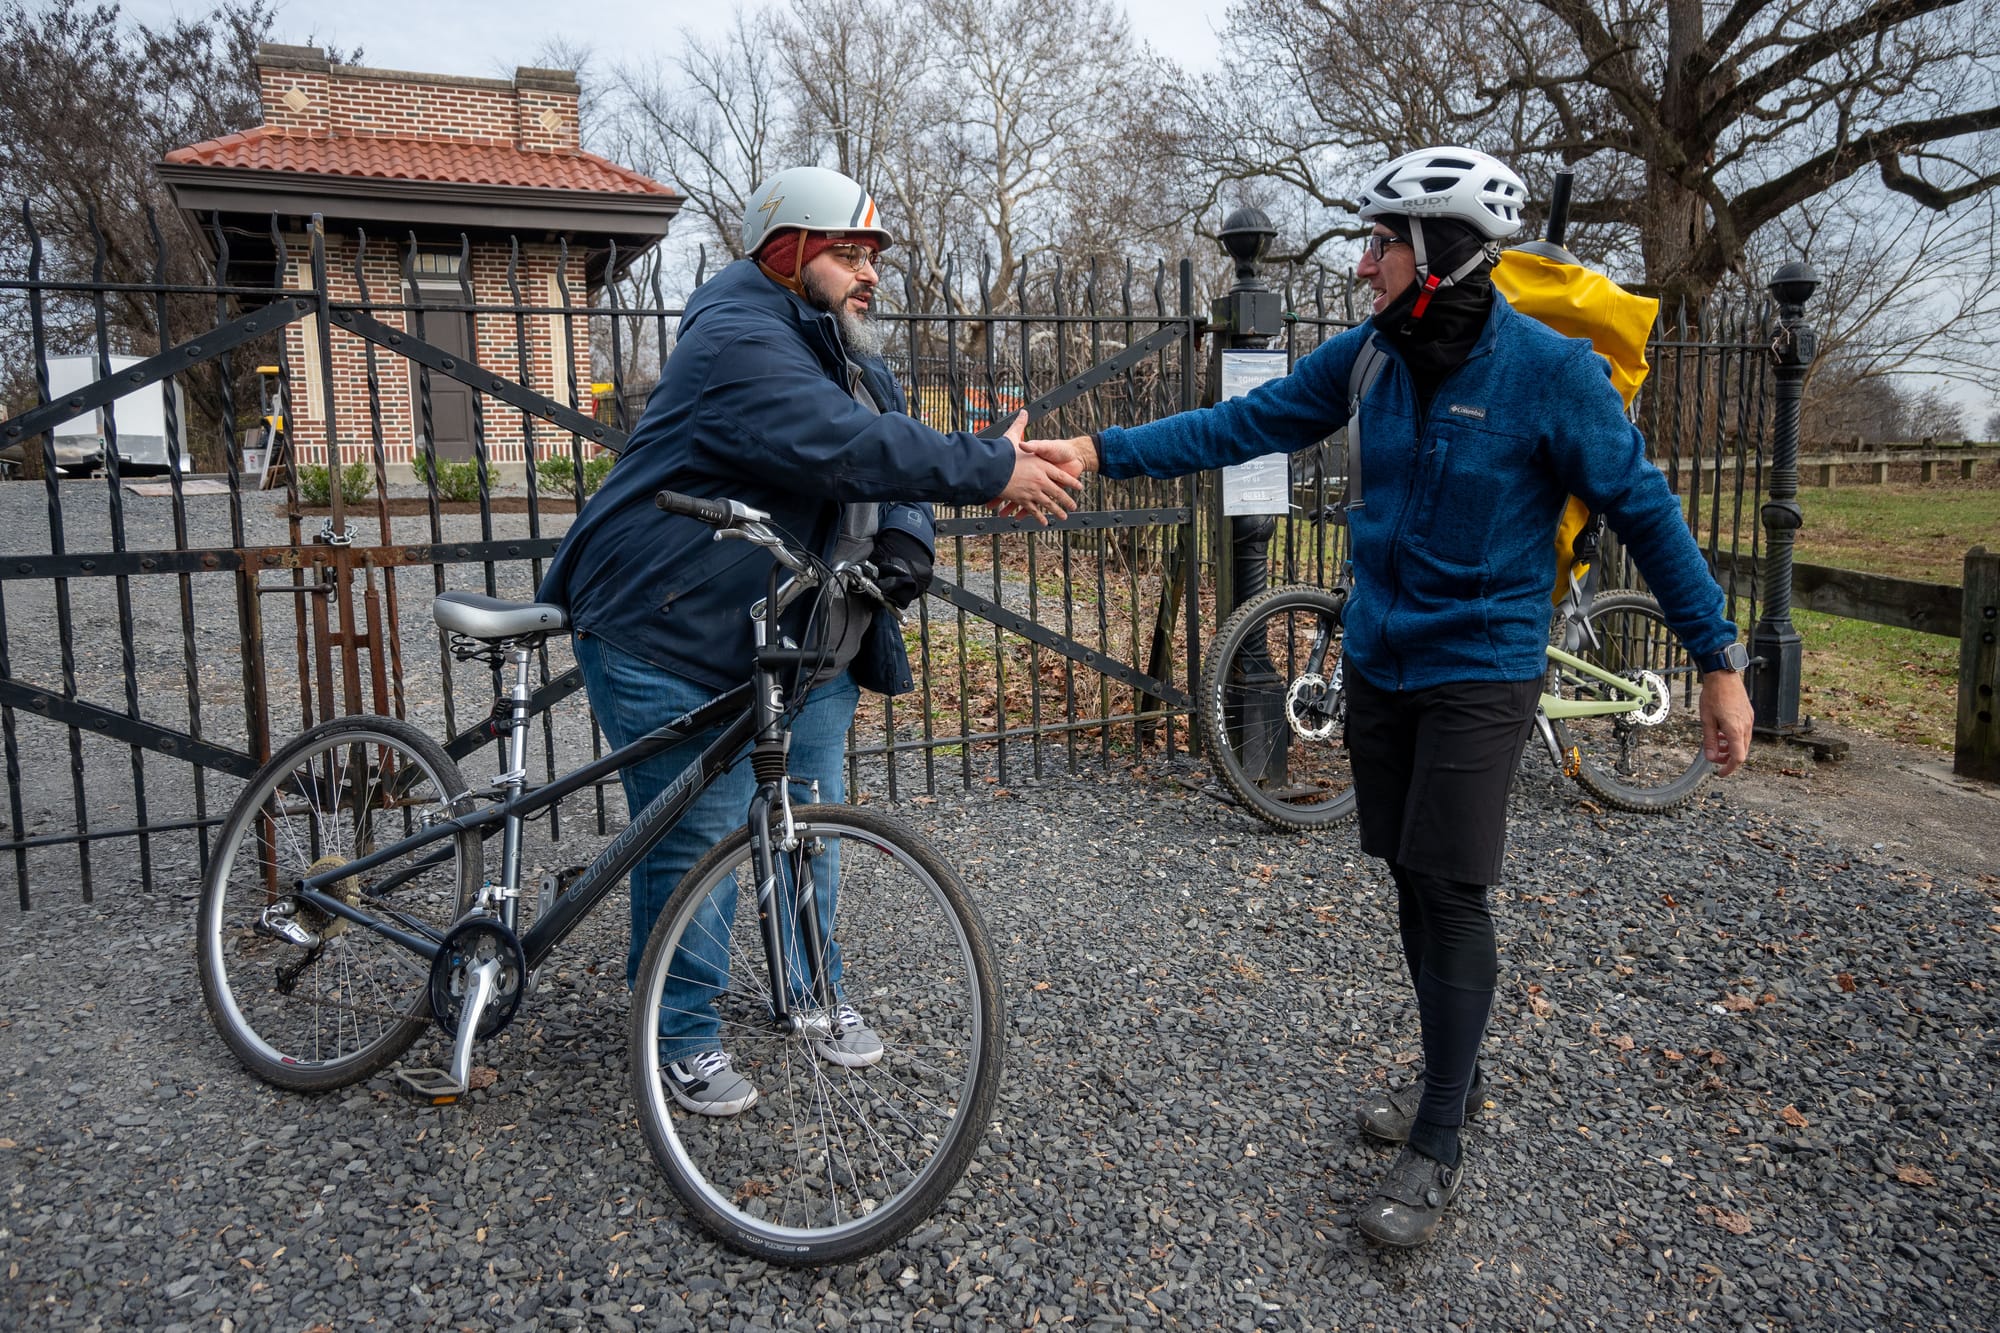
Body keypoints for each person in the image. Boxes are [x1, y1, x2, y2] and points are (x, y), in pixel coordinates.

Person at [1031, 146, 1755, 1247]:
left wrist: (1716, 660)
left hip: (1482, 664)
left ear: (1438, 253)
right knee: (1410, 878)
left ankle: (1438, 1142)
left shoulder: (1551, 374)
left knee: (1452, 886)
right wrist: (1095, 448)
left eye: (1378, 243)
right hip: (1378, 656)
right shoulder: (1370, 356)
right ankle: (1446, 1081)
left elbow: (1646, 513)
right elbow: (1248, 423)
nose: (1361, 264)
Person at [539, 165, 1081, 1116]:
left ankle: (809, 992)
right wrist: (993, 463)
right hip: (670, 620)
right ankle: (680, 1034)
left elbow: (892, 448)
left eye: (874, 256)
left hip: (803, 632)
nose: (869, 273)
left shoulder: (850, 348)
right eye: (848, 253)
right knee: (696, 837)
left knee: (808, 824)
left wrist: (908, 543)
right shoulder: (737, 337)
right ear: (785, 252)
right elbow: (839, 445)